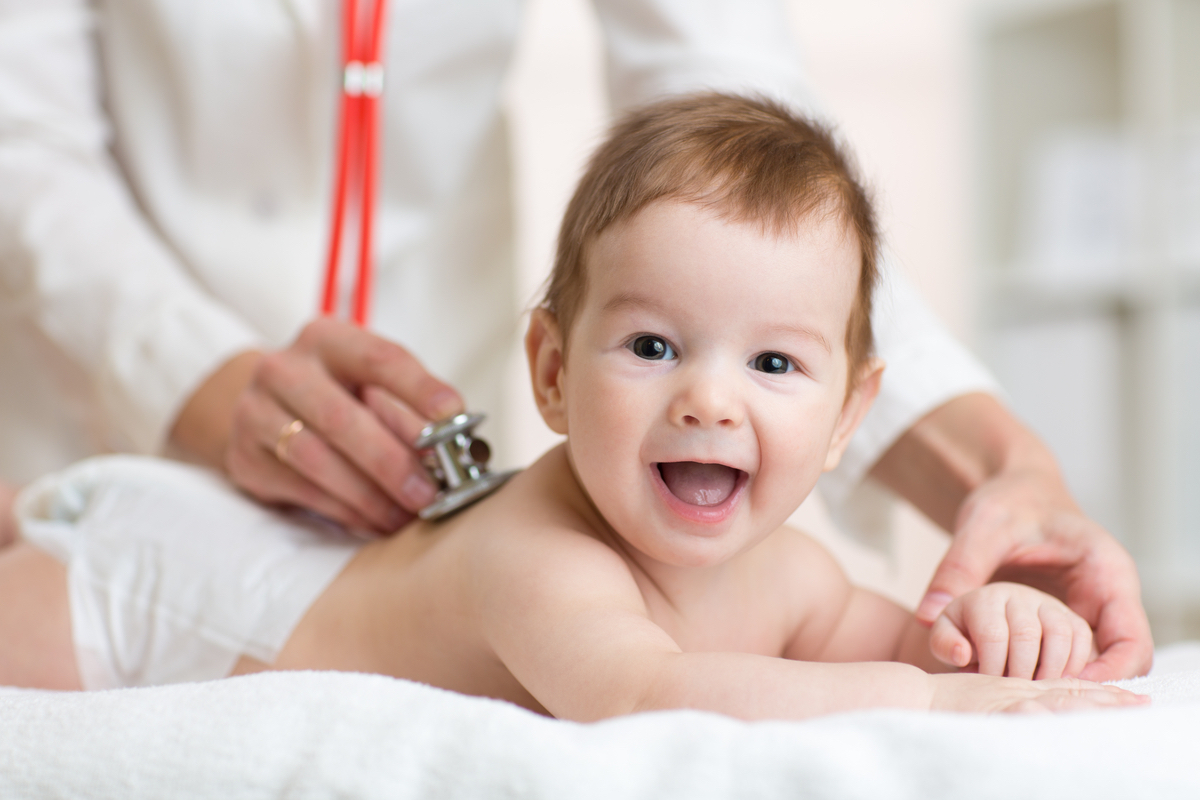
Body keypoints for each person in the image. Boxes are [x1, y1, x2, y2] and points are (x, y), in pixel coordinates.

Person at [0, 1, 1150, 680]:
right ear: (551, 368)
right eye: (653, 349)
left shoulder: (790, 575)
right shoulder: (548, 564)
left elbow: (740, 167)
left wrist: (1000, 612)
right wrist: (949, 706)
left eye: (773, 365)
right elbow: (22, 137)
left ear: (852, 407)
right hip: (135, 517)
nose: (709, 399)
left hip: (403, 451)